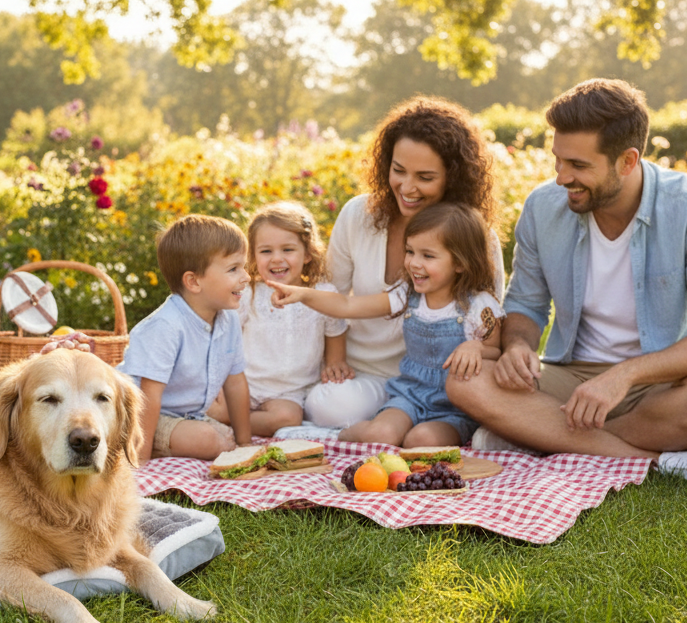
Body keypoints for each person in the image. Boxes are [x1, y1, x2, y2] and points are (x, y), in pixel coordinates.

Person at [447, 79, 687, 488]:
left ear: (627, 161)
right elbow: (525, 304)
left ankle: (537, 437)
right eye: (558, 160)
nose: (561, 177)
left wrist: (624, 376)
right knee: (463, 379)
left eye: (578, 166)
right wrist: (519, 346)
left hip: (657, 385)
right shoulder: (543, 208)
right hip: (570, 377)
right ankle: (656, 463)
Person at [303, 97, 505, 429]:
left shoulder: (476, 237)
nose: (407, 188)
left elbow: (488, 325)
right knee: (326, 406)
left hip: (443, 382)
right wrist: (335, 361)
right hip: (364, 374)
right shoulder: (358, 215)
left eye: (425, 177)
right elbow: (333, 296)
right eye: (398, 171)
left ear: (452, 178)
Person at [273, 203, 503, 448]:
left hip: (455, 407)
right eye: (410, 251)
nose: (414, 263)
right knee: (381, 434)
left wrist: (476, 348)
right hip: (410, 396)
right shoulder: (407, 294)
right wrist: (302, 294)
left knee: (421, 440)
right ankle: (335, 435)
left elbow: (495, 351)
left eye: (427, 255)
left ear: (459, 263)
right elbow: (348, 306)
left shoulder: (479, 307)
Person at [205, 201, 350, 436]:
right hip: (242, 383)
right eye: (266, 251)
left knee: (288, 418)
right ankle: (221, 418)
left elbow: (336, 329)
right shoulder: (249, 293)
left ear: (308, 254)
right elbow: (224, 337)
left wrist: (335, 361)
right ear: (252, 255)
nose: (276, 259)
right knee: (208, 401)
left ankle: (227, 425)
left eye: (288, 249)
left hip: (288, 394)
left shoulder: (322, 294)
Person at [117, 214, 253, 463]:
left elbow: (235, 383)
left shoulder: (229, 319)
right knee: (210, 441)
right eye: (234, 269)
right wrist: (140, 464)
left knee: (227, 439)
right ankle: (125, 445)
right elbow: (148, 398)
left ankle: (196, 441)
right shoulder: (166, 326)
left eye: (243, 266)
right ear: (193, 281)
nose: (246, 277)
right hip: (139, 416)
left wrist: (246, 444)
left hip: (187, 416)